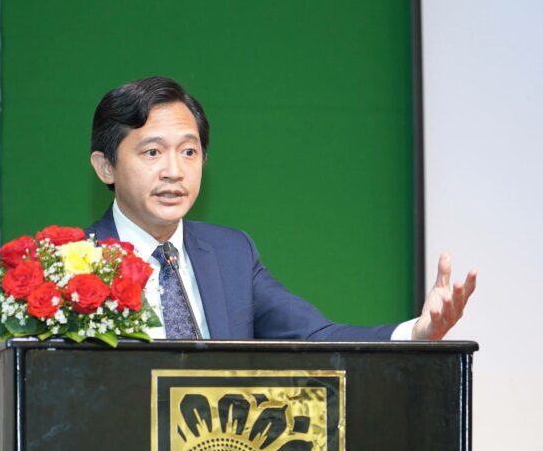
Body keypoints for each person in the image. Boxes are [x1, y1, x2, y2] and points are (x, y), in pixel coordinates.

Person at [85, 76, 476, 340]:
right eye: (152, 152)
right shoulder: (71, 267)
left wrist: (415, 333)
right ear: (106, 167)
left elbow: (315, 337)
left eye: (189, 151)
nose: (174, 171)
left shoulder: (231, 254)